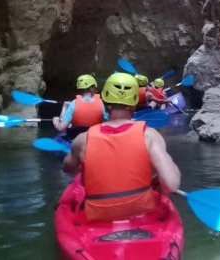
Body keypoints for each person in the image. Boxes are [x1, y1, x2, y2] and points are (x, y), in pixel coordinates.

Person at [64, 73, 181, 222]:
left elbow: (68, 169)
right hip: (141, 214)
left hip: (98, 217)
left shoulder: (82, 140)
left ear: (104, 101)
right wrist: (159, 179)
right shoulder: (150, 136)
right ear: (135, 102)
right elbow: (171, 185)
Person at [55, 74, 107, 141]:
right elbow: (108, 123)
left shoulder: (74, 103)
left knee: (67, 129)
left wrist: (56, 121)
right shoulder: (101, 104)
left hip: (76, 139)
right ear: (92, 88)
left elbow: (61, 128)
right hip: (95, 139)